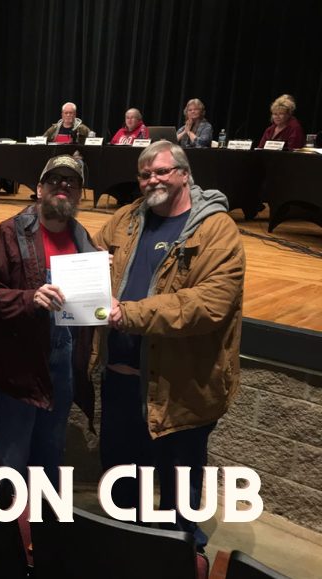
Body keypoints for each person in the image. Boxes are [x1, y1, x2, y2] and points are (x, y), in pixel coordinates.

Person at [92, 141, 245, 561]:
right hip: (121, 383)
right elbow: (88, 260)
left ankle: (181, 560)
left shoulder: (217, 230)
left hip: (179, 390)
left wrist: (131, 314)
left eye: (161, 172)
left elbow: (208, 305)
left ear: (183, 173)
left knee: (181, 491)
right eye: (145, 174)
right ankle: (125, 554)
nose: (152, 180)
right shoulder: (124, 220)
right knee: (122, 485)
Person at [0, 154, 96, 485]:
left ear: (80, 193)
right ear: (39, 189)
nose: (63, 187)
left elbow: (89, 310)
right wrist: (28, 298)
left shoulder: (83, 239)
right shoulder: (10, 233)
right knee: (11, 462)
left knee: (50, 456)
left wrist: (99, 287)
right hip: (17, 365)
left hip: (63, 365)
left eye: (72, 182)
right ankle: (9, 532)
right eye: (55, 180)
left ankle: (42, 531)